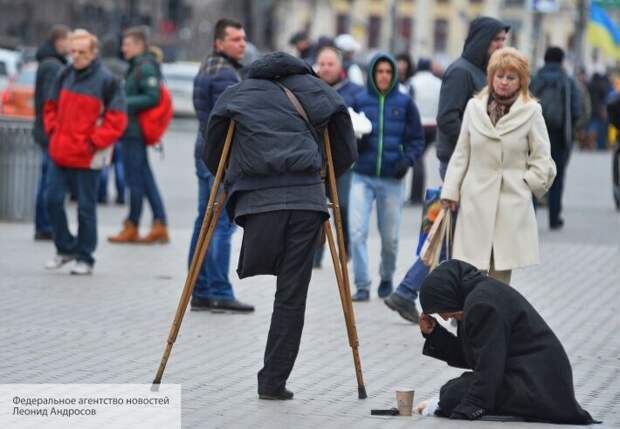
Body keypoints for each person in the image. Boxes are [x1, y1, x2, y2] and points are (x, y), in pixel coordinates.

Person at [204, 52, 357, 400]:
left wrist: (230, 180)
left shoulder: (237, 93)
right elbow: (345, 148)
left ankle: (272, 377)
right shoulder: (320, 91)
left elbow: (213, 149)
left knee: (270, 269)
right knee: (291, 295)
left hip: (258, 206)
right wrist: (326, 182)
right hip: (306, 202)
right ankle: (273, 381)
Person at [384, 16, 509, 322]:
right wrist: (483, 141)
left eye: (504, 41)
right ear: (482, 41)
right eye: (496, 41)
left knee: (449, 234)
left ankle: (413, 293)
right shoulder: (460, 72)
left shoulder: (485, 72)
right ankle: (437, 300)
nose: (501, 47)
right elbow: (448, 119)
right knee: (455, 236)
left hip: (476, 165)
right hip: (458, 162)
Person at [415, 259, 597, 424]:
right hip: (529, 379)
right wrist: (434, 334)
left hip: (537, 387)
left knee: (452, 395)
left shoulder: (481, 304)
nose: (445, 318)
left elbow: (488, 368)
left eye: (443, 312)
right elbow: (476, 356)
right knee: (452, 390)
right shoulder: (476, 297)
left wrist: (464, 409)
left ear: (449, 295)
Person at [440, 47, 556, 283]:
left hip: (510, 203)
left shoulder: (531, 111)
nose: (504, 82)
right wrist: (450, 191)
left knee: (499, 277)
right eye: (499, 76)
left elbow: (543, 157)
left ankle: (493, 318)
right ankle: (468, 318)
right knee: (470, 269)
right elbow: (462, 152)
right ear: (491, 77)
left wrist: (526, 183)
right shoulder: (474, 107)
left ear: (521, 81)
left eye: (511, 77)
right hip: (475, 200)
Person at [43, 29, 127, 275]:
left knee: (86, 209)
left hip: (87, 156)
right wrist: (53, 130)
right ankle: (65, 248)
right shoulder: (64, 74)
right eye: (73, 52)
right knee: (52, 200)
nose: (76, 56)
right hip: (60, 151)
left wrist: (92, 142)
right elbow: (50, 106)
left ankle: (85, 257)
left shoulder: (107, 81)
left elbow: (117, 120)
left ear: (94, 53)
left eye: (81, 52)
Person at [188, 18, 254, 313]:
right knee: (221, 225)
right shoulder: (225, 75)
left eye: (243, 38)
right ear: (219, 43)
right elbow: (229, 123)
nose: (242, 43)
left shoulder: (208, 66)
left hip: (205, 153)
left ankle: (200, 289)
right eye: (236, 39)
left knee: (204, 222)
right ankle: (219, 290)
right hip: (220, 158)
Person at [349, 53, 425, 301]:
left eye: (388, 72)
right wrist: (355, 146)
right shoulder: (359, 100)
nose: (383, 76)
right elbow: (346, 133)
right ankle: (361, 285)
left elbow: (417, 139)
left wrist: (408, 160)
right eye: (379, 71)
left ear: (394, 75)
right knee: (357, 232)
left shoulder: (404, 103)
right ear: (372, 74)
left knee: (390, 238)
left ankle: (387, 276)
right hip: (362, 176)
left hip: (392, 179)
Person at [108, 26, 169, 244]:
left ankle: (133, 225)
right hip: (130, 129)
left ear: (139, 45)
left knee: (135, 180)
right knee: (144, 178)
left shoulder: (145, 67)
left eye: (127, 44)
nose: (123, 48)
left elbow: (152, 97)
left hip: (134, 131)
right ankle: (159, 223)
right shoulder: (135, 66)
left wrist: (123, 103)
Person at [314, 46, 365, 267]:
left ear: (340, 66)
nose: (325, 68)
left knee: (341, 206)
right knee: (315, 208)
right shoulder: (309, 86)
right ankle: (315, 256)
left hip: (341, 161)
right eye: (322, 64)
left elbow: (363, 121)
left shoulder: (354, 91)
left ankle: (344, 253)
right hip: (314, 159)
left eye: (330, 64)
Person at [531, 47, 580, 230]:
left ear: (544, 59)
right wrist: (572, 128)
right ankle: (554, 217)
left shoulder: (535, 79)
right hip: (560, 136)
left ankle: (531, 217)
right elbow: (576, 108)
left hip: (535, 134)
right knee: (557, 176)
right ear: (561, 61)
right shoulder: (568, 81)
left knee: (534, 174)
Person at [32, 24, 70, 241]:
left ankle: (44, 224)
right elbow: (51, 101)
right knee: (49, 180)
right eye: (68, 41)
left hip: (45, 131)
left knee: (47, 179)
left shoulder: (49, 63)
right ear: (59, 42)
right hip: (49, 133)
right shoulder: (53, 66)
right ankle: (44, 225)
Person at [98, 34, 128, 205]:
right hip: (121, 117)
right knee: (120, 161)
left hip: (103, 117)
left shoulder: (100, 68)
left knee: (104, 159)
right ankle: (121, 194)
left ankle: (101, 193)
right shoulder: (124, 67)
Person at [409, 58, 442, 204]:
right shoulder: (438, 82)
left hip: (419, 124)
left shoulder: (413, 81)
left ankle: (415, 196)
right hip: (434, 125)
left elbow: (410, 102)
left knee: (418, 160)